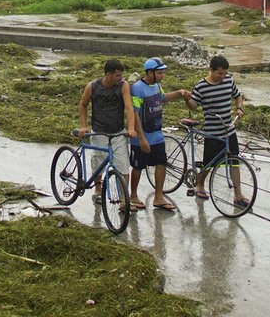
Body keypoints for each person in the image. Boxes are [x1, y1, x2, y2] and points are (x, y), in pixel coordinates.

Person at [184, 55, 248, 206]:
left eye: (225, 73)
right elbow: (194, 105)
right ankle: (200, 184)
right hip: (212, 132)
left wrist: (239, 108)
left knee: (234, 162)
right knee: (209, 163)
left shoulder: (228, 81)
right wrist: (186, 98)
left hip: (229, 129)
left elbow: (238, 96)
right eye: (219, 73)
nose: (222, 76)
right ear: (211, 70)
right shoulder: (201, 86)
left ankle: (238, 195)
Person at [129, 57, 190, 211]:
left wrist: (178, 93)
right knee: (138, 167)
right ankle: (133, 195)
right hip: (141, 137)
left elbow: (162, 99)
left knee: (161, 163)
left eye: (163, 73)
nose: (163, 76)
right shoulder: (137, 89)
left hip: (157, 134)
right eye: (160, 73)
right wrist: (141, 138)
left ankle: (158, 197)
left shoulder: (157, 86)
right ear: (149, 73)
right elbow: (134, 115)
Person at [78, 59, 137, 203]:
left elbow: (129, 107)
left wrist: (130, 128)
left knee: (123, 164)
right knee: (98, 161)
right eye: (117, 75)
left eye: (121, 75)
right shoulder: (92, 86)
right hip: (99, 131)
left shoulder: (123, 86)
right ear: (108, 75)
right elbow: (83, 105)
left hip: (118, 132)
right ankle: (97, 189)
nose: (120, 78)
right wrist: (84, 126)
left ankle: (124, 199)